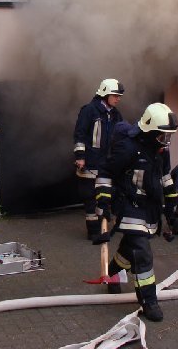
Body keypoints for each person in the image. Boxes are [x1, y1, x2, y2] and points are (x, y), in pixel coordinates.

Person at [94, 102, 178, 322]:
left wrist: (172, 203)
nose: (166, 141)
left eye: (169, 136)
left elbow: (165, 176)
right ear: (149, 131)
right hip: (129, 205)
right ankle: (149, 301)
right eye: (163, 136)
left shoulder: (161, 151)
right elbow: (105, 172)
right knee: (142, 253)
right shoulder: (128, 148)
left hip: (150, 208)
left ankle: (113, 272)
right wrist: (103, 202)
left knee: (129, 248)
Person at [73, 78, 125, 240]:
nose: (118, 99)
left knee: (104, 196)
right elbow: (80, 134)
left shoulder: (115, 114)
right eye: (115, 95)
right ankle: (93, 231)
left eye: (119, 96)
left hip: (106, 163)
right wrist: (80, 157)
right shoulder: (89, 111)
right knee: (90, 198)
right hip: (90, 162)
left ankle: (102, 226)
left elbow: (121, 136)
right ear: (105, 94)